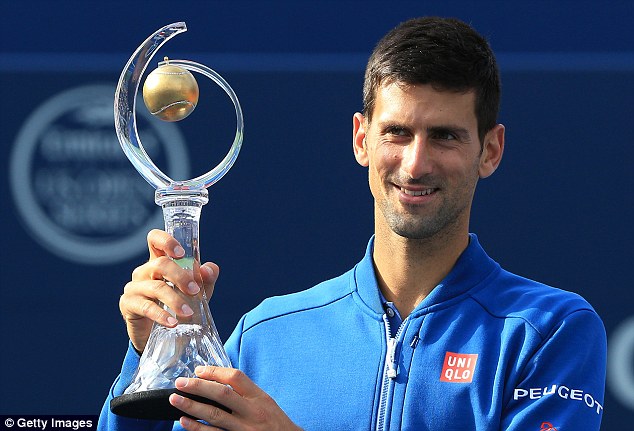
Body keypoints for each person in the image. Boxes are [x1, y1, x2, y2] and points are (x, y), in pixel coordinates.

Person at [99, 16, 606, 431]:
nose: (415, 164)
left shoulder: (548, 331)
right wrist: (148, 356)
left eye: (445, 136)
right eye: (397, 133)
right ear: (361, 140)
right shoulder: (265, 336)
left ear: (490, 150)